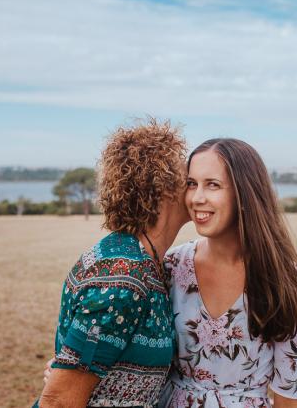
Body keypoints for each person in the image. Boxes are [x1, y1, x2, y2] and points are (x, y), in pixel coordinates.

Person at [159, 138, 297, 408]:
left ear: (244, 192)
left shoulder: (285, 280)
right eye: (191, 184)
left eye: (212, 184)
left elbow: (292, 396)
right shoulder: (171, 266)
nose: (197, 197)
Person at [34, 120, 190, 408]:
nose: (196, 188)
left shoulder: (148, 262)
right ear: (165, 188)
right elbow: (58, 401)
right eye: (188, 179)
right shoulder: (121, 279)